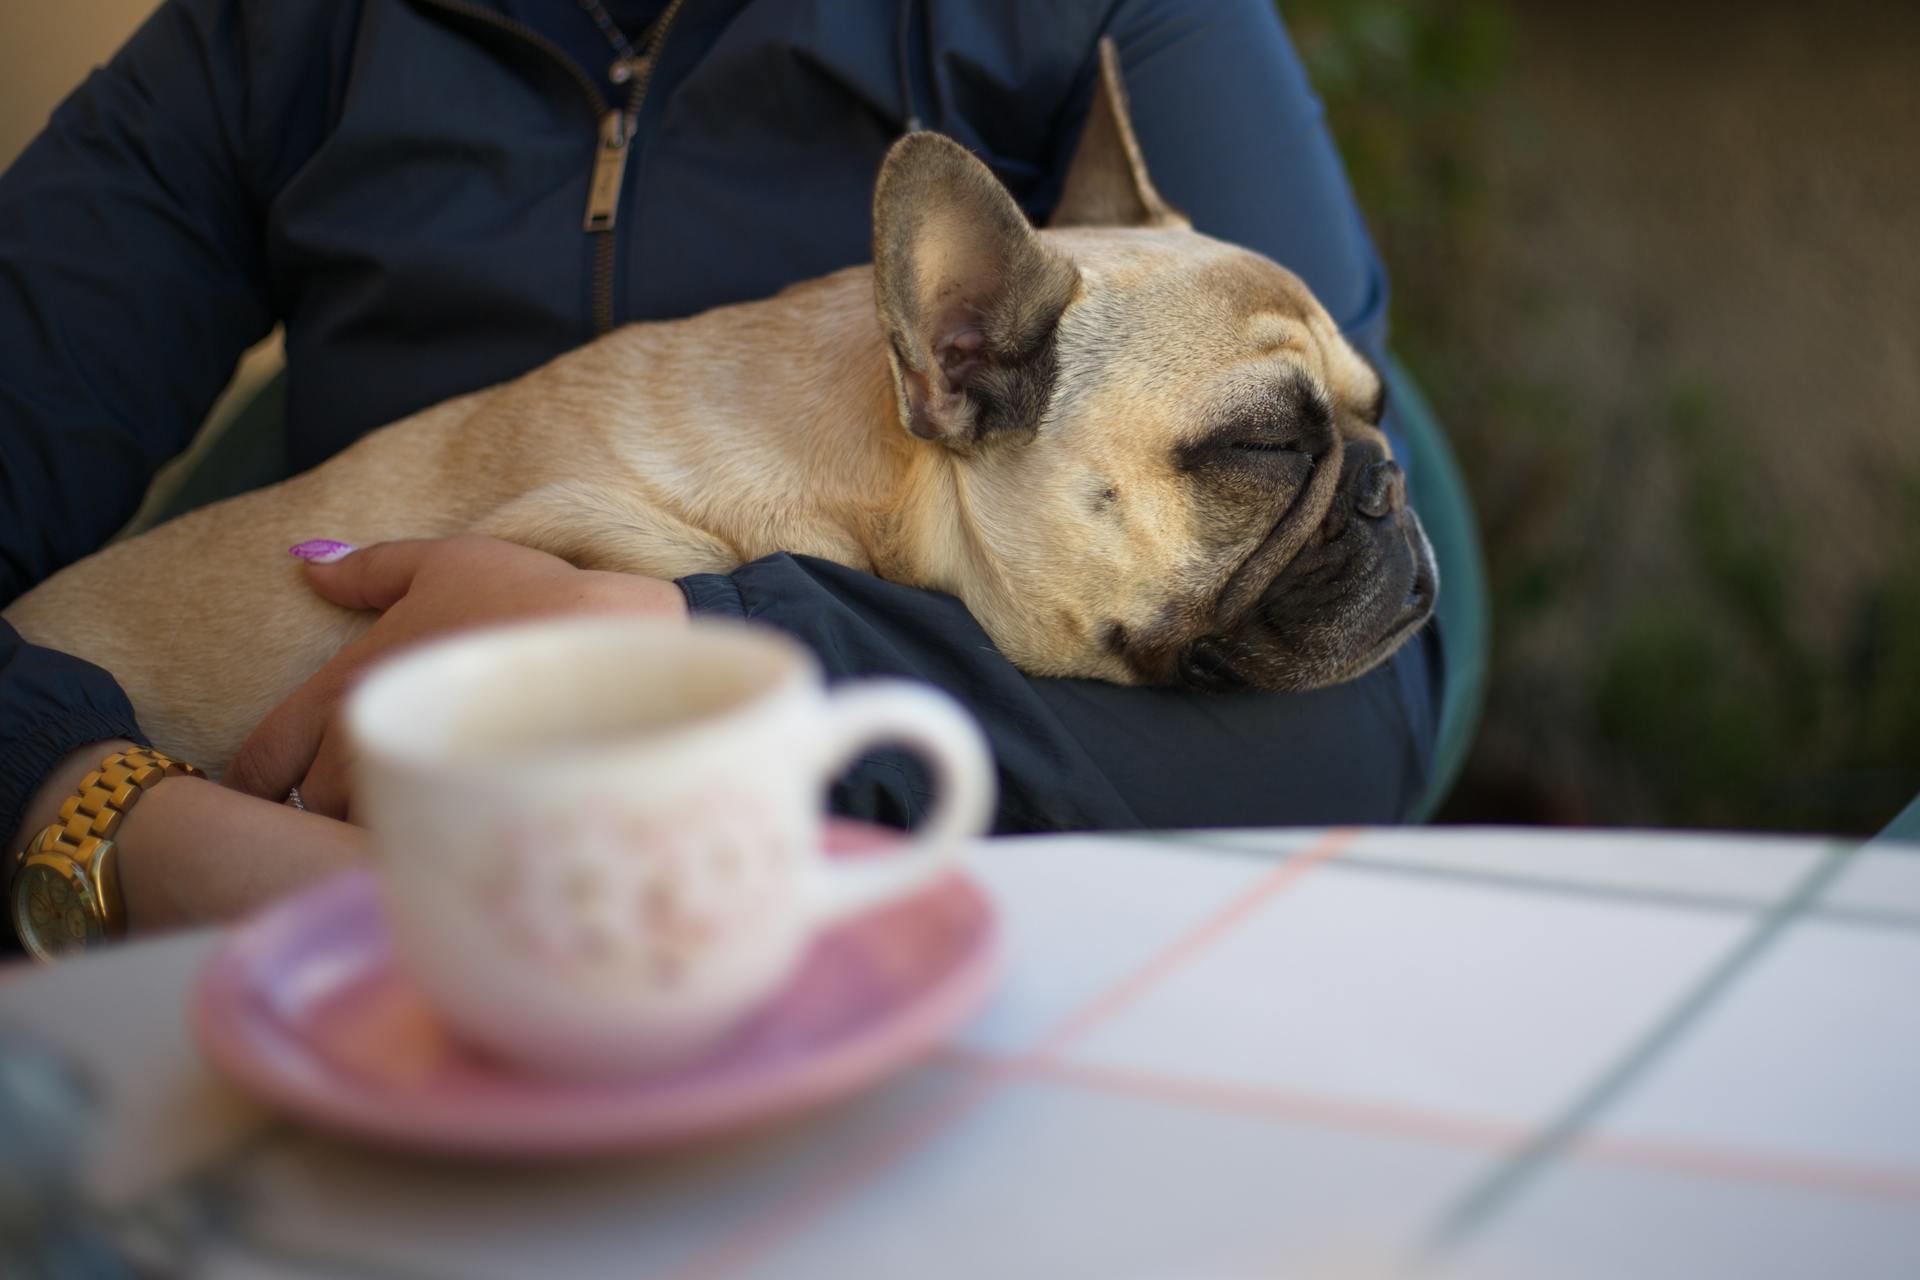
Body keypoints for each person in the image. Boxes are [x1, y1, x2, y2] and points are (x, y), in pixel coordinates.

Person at [0, 0, 1443, 945]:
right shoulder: (279, 33)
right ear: (949, 354)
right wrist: (107, 810)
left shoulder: (1111, 23)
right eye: (1262, 446)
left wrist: (719, 659)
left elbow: (1349, 737)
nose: (1366, 494)